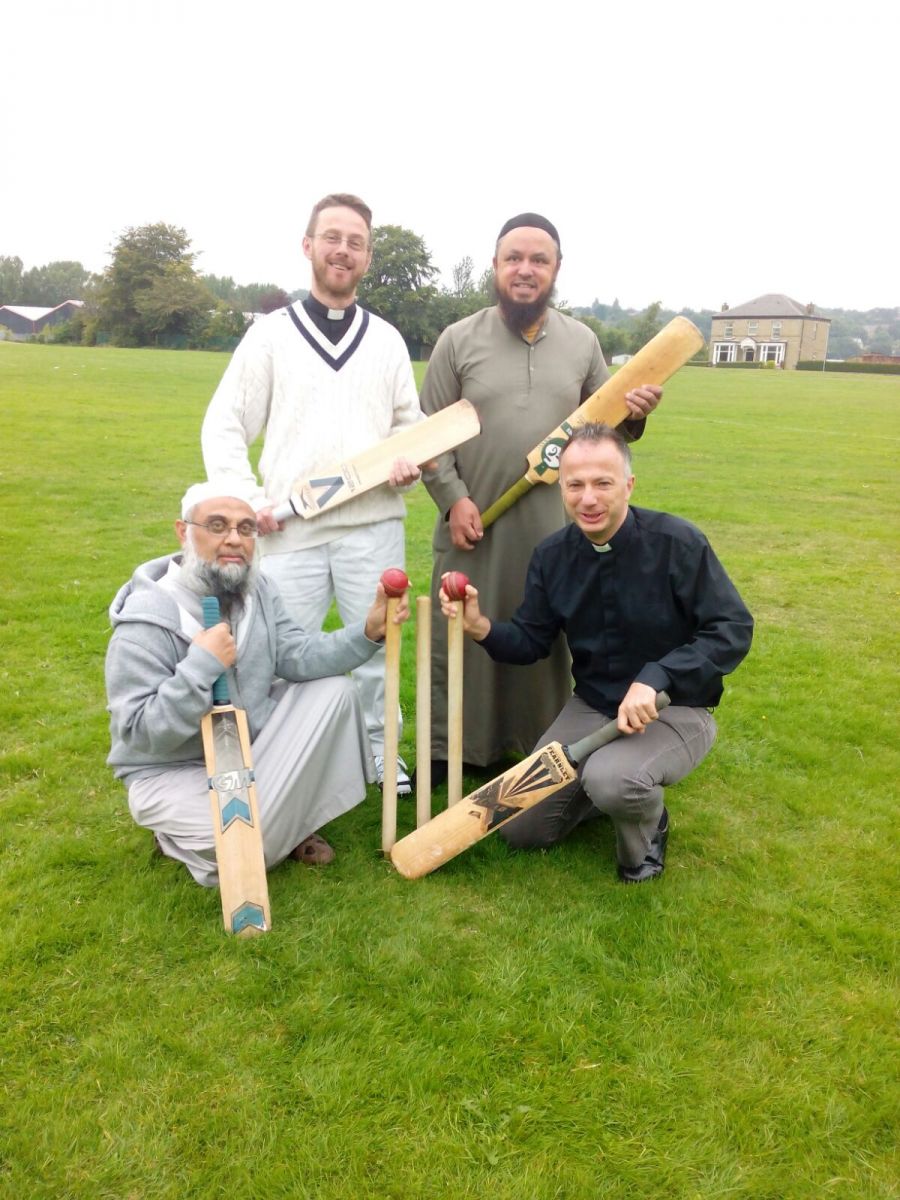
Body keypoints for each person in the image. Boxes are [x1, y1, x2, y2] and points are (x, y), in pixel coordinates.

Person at [439, 424, 752, 882]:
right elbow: (530, 641)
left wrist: (658, 676)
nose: (589, 498)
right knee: (520, 827)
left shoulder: (678, 543)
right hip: (594, 707)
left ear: (628, 485)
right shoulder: (552, 556)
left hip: (677, 708)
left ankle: (645, 830)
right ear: (561, 489)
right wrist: (479, 626)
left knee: (613, 780)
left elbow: (733, 627)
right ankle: (601, 783)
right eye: (575, 485)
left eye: (603, 483)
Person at [421, 212, 662, 778]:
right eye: (514, 259)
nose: (525, 270)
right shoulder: (458, 339)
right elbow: (429, 433)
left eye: (538, 260)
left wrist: (636, 416)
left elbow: (607, 426)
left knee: (547, 640)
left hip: (558, 532)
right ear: (496, 266)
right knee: (461, 632)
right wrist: (453, 498)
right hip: (472, 523)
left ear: (556, 270)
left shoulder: (583, 342)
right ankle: (451, 751)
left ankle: (543, 751)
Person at [201, 193, 422, 794]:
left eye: (355, 242)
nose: (342, 250)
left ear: (368, 257)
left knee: (379, 651)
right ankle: (276, 758)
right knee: (274, 657)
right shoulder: (271, 336)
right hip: (290, 531)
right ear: (308, 246)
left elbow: (412, 428)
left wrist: (409, 463)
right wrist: (248, 503)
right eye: (332, 238)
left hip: (372, 527)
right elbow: (223, 424)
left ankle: (383, 753)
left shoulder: (388, 340)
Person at [105, 482, 409, 887]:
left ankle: (268, 826)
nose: (234, 539)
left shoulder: (258, 591)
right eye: (217, 525)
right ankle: (204, 835)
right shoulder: (146, 619)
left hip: (253, 751)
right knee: (241, 851)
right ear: (183, 531)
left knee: (336, 692)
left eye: (246, 528)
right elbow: (140, 734)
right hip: (176, 771)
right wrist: (200, 667)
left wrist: (367, 632)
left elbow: (298, 655)